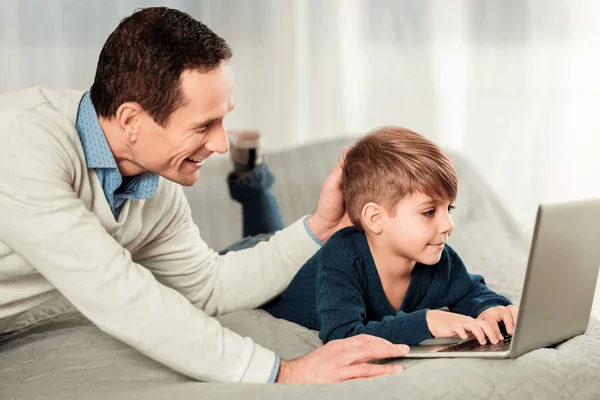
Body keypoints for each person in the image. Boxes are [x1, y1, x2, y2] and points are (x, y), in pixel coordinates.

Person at [0, 7, 410, 384]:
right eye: (203, 126)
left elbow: (210, 287)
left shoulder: (154, 186)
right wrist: (281, 372)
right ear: (131, 120)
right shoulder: (22, 146)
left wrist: (321, 227)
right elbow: (115, 292)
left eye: (224, 119)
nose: (220, 145)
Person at [263, 127, 519, 346]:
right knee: (260, 241)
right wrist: (428, 321)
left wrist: (489, 308)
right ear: (375, 218)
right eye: (429, 211)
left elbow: (471, 291)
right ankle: (253, 183)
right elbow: (341, 335)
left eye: (448, 208)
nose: (448, 225)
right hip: (275, 273)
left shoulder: (437, 258)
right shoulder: (342, 257)